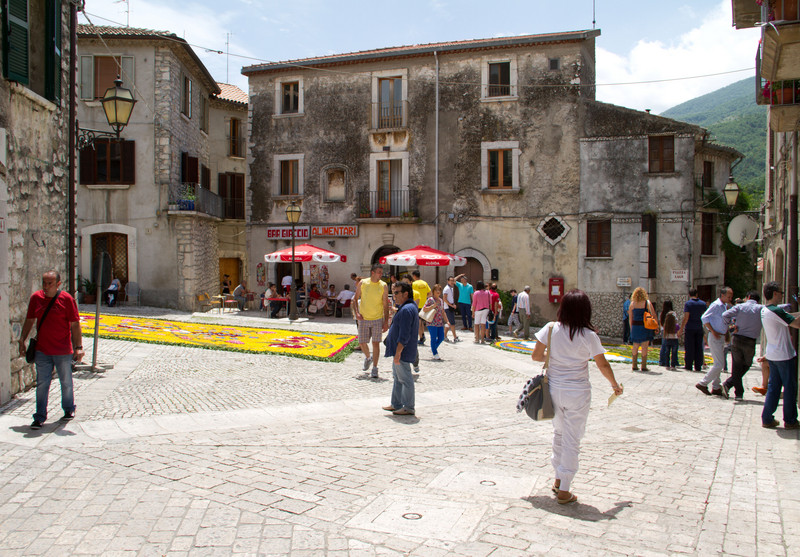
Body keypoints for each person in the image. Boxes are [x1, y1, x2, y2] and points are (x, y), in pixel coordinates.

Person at [530, 289, 623, 505]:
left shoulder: (551, 329)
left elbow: (536, 356)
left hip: (554, 390)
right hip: (578, 392)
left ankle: (558, 479)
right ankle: (565, 489)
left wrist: (554, 357)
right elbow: (602, 364)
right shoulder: (589, 336)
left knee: (559, 434)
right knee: (572, 438)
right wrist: (614, 385)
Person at [18, 271, 84, 429]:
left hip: (63, 351)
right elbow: (29, 320)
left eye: (50, 284)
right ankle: (39, 416)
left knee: (66, 382)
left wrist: (79, 347)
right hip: (42, 350)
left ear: (58, 284)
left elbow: (75, 324)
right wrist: (22, 340)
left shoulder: (66, 300)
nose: (46, 287)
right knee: (42, 384)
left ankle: (68, 409)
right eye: (44, 283)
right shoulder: (36, 298)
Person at [759, 281, 800, 429]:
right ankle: (790, 420)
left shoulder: (766, 310)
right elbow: (796, 323)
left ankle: (767, 417)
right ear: (775, 293)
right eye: (781, 293)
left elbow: (788, 316)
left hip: (773, 355)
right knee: (789, 387)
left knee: (774, 387)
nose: (781, 296)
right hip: (784, 355)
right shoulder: (776, 311)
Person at [382, 281, 418, 416]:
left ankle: (408, 406)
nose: (394, 296)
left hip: (402, 351)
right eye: (393, 292)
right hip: (399, 350)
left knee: (405, 378)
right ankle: (396, 403)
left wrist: (398, 353)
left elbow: (404, 335)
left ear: (405, 294)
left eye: (396, 293)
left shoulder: (407, 310)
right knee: (397, 378)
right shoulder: (406, 307)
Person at [721, 291, 763, 400]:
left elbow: (725, 315)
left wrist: (730, 326)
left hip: (737, 338)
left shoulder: (740, 307)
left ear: (748, 297)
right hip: (750, 341)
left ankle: (733, 388)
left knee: (737, 365)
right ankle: (735, 390)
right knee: (747, 364)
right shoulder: (760, 308)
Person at [696, 286, 734, 397]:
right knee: (719, 364)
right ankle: (703, 383)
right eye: (728, 296)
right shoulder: (716, 305)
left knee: (718, 361)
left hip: (720, 336)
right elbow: (704, 318)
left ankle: (716, 386)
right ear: (722, 295)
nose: (730, 298)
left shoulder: (724, 306)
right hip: (715, 336)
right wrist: (712, 331)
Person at [354, 264, 390, 378]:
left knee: (376, 343)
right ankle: (368, 358)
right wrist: (357, 313)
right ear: (372, 272)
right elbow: (354, 299)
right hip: (364, 318)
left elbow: (385, 305)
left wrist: (386, 322)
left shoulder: (383, 285)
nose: (381, 274)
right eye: (379, 272)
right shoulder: (363, 283)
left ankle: (375, 367)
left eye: (381, 272)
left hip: (377, 318)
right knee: (362, 342)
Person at [628, 287, 658, 371]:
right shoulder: (647, 303)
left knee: (635, 346)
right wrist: (656, 326)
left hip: (635, 326)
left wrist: (631, 328)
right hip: (645, 327)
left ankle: (634, 365)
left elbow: (630, 318)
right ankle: (643, 366)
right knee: (644, 346)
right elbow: (653, 314)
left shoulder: (632, 304)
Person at [680, 288, 707, 372]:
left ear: (689, 295)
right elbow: (705, 315)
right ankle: (698, 366)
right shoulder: (703, 304)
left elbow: (686, 317)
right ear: (697, 294)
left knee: (689, 347)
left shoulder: (688, 304)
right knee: (699, 347)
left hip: (690, 328)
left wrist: (681, 328)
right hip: (699, 327)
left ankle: (688, 365)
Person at [422, 284, 450, 360]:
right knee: (433, 338)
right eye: (436, 290)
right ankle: (435, 353)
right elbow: (424, 309)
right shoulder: (430, 300)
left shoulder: (441, 300)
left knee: (441, 337)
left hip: (439, 322)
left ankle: (433, 348)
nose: (438, 291)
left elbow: (443, 311)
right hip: (431, 322)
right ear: (433, 291)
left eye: (439, 290)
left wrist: (447, 321)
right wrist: (432, 306)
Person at [659, 300, 680, 370]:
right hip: (672, 333)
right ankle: (674, 362)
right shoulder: (672, 313)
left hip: (664, 331)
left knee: (664, 347)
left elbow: (661, 322)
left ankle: (663, 361)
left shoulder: (663, 313)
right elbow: (676, 323)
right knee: (673, 350)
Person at [411, 271, 431, 345]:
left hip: (417, 304)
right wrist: (424, 297)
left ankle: (421, 337)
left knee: (418, 322)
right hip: (424, 305)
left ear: (414, 276)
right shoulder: (424, 283)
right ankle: (422, 336)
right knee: (421, 322)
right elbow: (430, 293)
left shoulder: (414, 284)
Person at [442, 276, 460, 343]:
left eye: (453, 280)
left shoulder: (451, 288)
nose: (452, 282)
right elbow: (444, 299)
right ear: (448, 281)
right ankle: (455, 337)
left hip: (450, 307)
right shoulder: (446, 289)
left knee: (448, 323)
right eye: (451, 280)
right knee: (452, 323)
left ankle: (444, 336)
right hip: (448, 308)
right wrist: (451, 305)